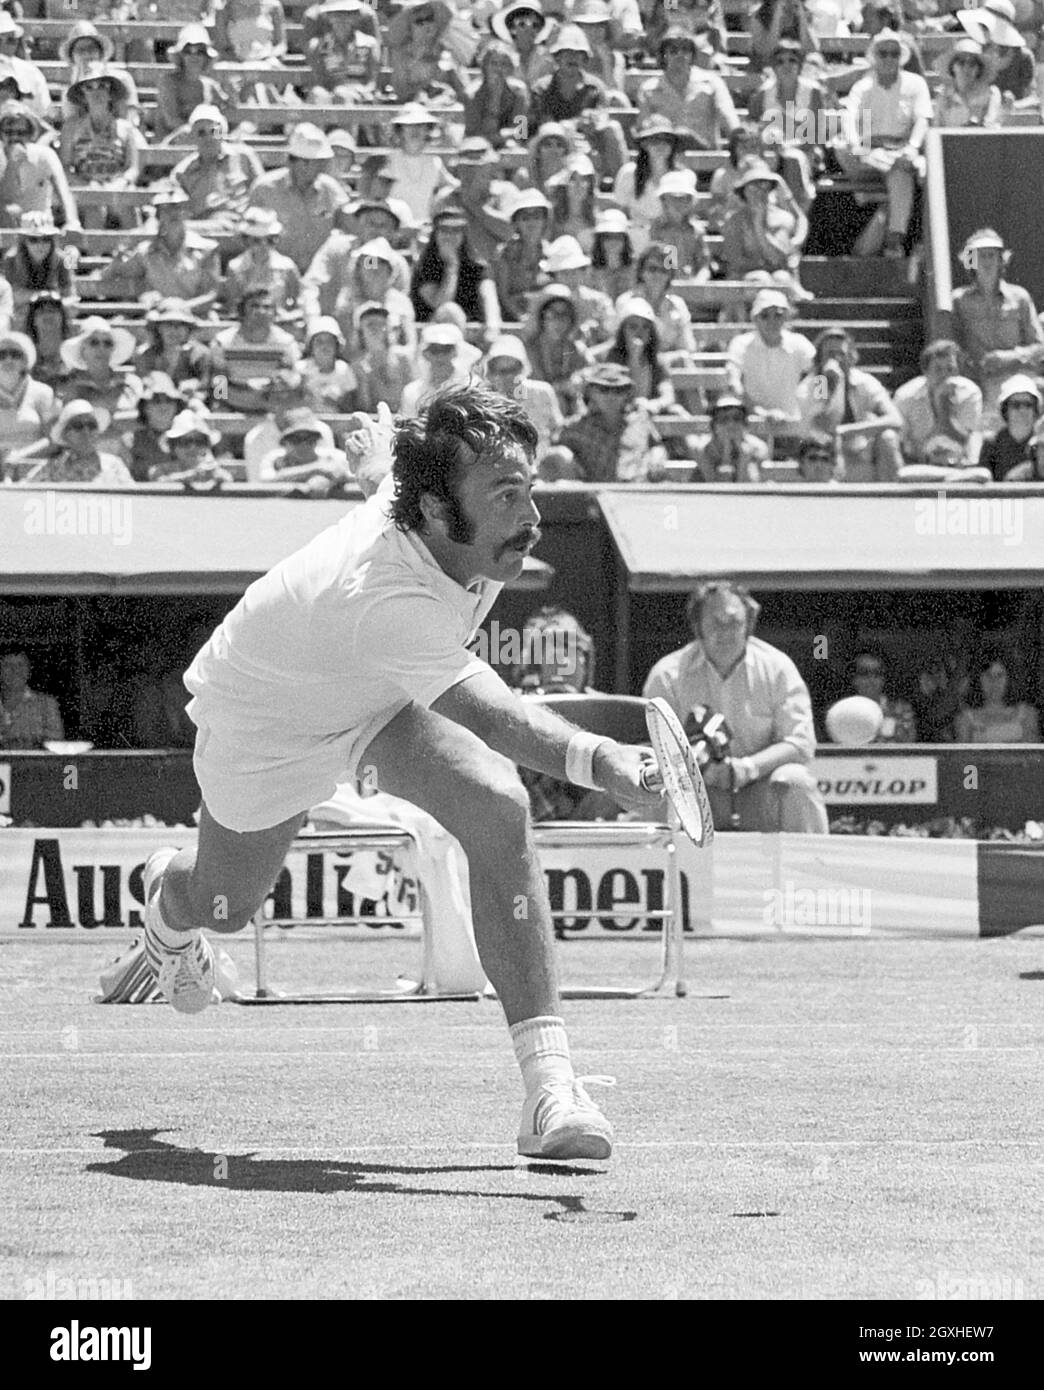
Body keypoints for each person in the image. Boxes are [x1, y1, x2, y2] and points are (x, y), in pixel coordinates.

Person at [139, 384, 666, 1163]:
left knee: (497, 804)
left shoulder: (439, 505)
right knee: (223, 904)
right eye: (505, 495)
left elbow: (393, 472)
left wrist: (376, 457)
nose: (530, 517)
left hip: (375, 698)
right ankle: (165, 902)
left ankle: (551, 1088)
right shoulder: (386, 596)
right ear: (432, 513)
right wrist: (600, 758)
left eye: (530, 489)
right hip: (268, 722)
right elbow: (491, 714)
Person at [642, 579, 828, 833]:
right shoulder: (667, 675)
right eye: (716, 623)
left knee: (796, 781)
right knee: (658, 786)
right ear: (698, 627)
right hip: (694, 793)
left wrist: (747, 769)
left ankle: (810, 869)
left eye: (734, 622)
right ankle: (662, 869)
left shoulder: (777, 669)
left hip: (759, 789)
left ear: (749, 624)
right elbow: (652, 748)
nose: (726, 631)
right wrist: (701, 770)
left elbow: (800, 744)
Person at [836, 29, 932, 258]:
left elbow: (923, 119)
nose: (889, 58)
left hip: (900, 151)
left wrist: (912, 146)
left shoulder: (916, 83)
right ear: (874, 56)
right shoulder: (862, 87)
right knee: (841, 148)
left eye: (894, 53)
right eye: (883, 53)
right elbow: (848, 115)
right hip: (868, 153)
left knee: (902, 171)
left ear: (901, 57)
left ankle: (894, 241)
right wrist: (853, 143)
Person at [950, 227, 1044, 427]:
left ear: (1002, 260)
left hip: (1018, 375)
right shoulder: (959, 300)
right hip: (979, 380)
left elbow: (1039, 346)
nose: (987, 261)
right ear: (970, 261)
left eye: (992, 255)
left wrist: (1009, 357)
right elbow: (952, 346)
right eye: (980, 255)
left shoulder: (1020, 297)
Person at [796, 326, 904, 481]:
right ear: (820, 359)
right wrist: (832, 386)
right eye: (830, 355)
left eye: (841, 354)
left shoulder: (864, 382)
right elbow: (823, 427)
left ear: (851, 357)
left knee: (888, 437)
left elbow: (895, 420)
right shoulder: (816, 384)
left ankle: (894, 497)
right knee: (821, 448)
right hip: (821, 448)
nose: (837, 360)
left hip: (858, 445)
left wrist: (847, 431)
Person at [246, 124, 350, 275]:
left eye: (319, 161)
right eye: (308, 161)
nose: (316, 167)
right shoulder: (264, 189)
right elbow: (249, 235)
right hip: (275, 274)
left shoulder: (331, 190)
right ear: (292, 161)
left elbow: (350, 226)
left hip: (318, 276)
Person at [95, 188, 221, 309]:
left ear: (186, 213)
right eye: (166, 209)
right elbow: (110, 274)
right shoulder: (146, 252)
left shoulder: (207, 249)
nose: (173, 213)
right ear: (159, 217)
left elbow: (210, 296)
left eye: (178, 208)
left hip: (197, 319)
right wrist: (115, 263)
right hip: (160, 321)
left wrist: (180, 309)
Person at [544, 360, 667, 482]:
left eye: (619, 391)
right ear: (591, 392)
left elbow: (657, 446)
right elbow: (551, 455)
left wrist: (657, 456)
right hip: (594, 497)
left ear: (627, 394)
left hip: (635, 493)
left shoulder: (639, 421)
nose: (611, 396)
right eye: (604, 390)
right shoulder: (575, 428)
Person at [58, 63, 139, 229]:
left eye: (102, 86)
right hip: (84, 188)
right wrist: (87, 186)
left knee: (128, 206)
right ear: (83, 95)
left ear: (110, 93)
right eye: (89, 87)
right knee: (94, 208)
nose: (97, 92)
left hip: (117, 187)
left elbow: (133, 167)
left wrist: (120, 183)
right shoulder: (70, 128)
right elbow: (64, 169)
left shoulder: (126, 128)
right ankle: (95, 254)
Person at [726, 288, 816, 436]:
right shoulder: (740, 344)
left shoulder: (799, 343)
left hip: (792, 423)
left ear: (786, 317)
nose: (772, 321)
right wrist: (758, 411)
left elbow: (820, 373)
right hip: (751, 425)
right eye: (765, 315)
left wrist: (818, 403)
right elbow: (733, 383)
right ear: (755, 318)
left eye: (778, 315)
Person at [636, 26, 739, 151]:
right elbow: (644, 129)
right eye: (673, 51)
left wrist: (737, 137)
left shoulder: (712, 83)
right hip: (665, 158)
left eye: (685, 50)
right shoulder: (648, 89)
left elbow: (728, 116)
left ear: (692, 54)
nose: (680, 55)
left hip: (706, 158)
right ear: (664, 55)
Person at [169, 104, 264, 235]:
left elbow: (263, 191)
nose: (209, 137)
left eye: (215, 132)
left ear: (223, 133)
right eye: (201, 133)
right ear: (192, 137)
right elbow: (179, 210)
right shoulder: (182, 172)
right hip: (202, 227)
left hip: (242, 224)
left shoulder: (244, 156)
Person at [409, 208, 502, 336]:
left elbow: (489, 296)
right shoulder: (424, 267)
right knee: (449, 311)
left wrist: (492, 325)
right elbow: (440, 304)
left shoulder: (477, 267)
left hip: (470, 335)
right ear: (435, 233)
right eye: (444, 230)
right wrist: (452, 266)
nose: (450, 235)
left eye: (456, 231)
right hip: (431, 333)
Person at [893, 338, 984, 464]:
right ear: (925, 371)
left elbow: (968, 438)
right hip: (918, 462)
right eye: (938, 369)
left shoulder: (970, 392)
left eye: (950, 369)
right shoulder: (905, 396)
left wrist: (946, 413)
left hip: (959, 460)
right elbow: (900, 442)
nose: (945, 375)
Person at [0, 100, 81, 232]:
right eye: (9, 132)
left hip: (40, 228)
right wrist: (12, 165)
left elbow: (64, 192)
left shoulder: (45, 155)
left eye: (21, 133)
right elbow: (5, 199)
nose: (15, 137)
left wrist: (72, 221)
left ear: (30, 134)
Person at [611, 115, 685, 254]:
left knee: (672, 242)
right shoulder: (628, 173)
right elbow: (619, 212)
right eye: (655, 140)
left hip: (669, 239)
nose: (661, 145)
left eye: (666, 140)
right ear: (644, 144)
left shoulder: (682, 175)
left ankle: (670, 272)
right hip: (636, 238)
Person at [720, 161, 805, 281]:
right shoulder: (734, 221)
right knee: (761, 278)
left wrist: (760, 227)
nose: (759, 191)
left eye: (764, 185)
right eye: (753, 186)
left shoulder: (783, 218)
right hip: (743, 278)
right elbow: (736, 262)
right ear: (743, 191)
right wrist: (763, 266)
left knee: (782, 278)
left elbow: (778, 258)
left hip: (778, 275)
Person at [484, 333, 563, 457]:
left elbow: (557, 429)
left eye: (513, 369)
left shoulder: (543, 391)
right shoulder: (484, 400)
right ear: (491, 372)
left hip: (540, 459)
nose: (508, 376)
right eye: (501, 371)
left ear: (523, 368)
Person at [21, 399, 134, 486]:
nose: (86, 431)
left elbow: (133, 500)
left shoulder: (114, 465)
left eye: (91, 426)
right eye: (78, 426)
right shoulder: (54, 468)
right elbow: (27, 493)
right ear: (65, 435)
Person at [523, 282, 594, 417]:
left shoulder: (576, 349)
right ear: (542, 318)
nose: (558, 321)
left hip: (571, 411)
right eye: (552, 314)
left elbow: (592, 373)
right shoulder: (529, 350)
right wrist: (561, 387)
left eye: (564, 315)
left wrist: (581, 379)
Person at [156, 24, 232, 142]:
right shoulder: (168, 82)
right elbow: (171, 120)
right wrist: (197, 133)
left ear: (206, 56)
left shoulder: (210, 86)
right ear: (180, 55)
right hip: (172, 142)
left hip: (205, 143)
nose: (194, 56)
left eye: (200, 51)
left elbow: (220, 120)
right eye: (188, 51)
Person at [223, 208, 302, 321]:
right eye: (257, 240)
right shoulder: (235, 267)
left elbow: (300, 300)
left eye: (270, 240)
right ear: (247, 240)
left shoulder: (287, 266)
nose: (264, 245)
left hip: (280, 323)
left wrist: (289, 316)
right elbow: (233, 306)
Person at [2, 210, 76, 330]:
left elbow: (72, 298)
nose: (40, 245)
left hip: (53, 310)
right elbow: (9, 297)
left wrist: (48, 300)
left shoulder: (64, 259)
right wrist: (42, 296)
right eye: (33, 239)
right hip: (21, 313)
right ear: (23, 241)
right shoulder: (10, 259)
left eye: (46, 239)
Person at [134, 297, 214, 399]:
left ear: (188, 329)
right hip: (157, 406)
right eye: (168, 324)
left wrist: (196, 386)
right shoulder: (145, 355)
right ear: (158, 328)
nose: (174, 330)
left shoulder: (201, 354)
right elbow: (141, 388)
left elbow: (216, 384)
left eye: (180, 325)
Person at [954, 649, 1041, 742]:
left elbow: (1033, 754)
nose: (994, 682)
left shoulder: (1026, 714)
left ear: (1009, 679)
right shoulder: (966, 719)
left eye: (999, 676)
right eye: (988, 675)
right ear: (978, 680)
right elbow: (962, 755)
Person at [495, 187, 552, 321]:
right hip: (511, 321)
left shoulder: (551, 252)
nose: (531, 222)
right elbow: (503, 295)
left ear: (545, 221)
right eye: (525, 217)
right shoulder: (504, 253)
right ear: (516, 222)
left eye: (537, 217)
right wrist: (522, 319)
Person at [257, 406, 352, 487]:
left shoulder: (335, 457)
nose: (304, 445)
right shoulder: (274, 459)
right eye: (296, 439)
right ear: (284, 442)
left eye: (310, 439)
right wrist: (316, 469)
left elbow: (355, 477)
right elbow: (266, 480)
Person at [462, 38, 529, 147]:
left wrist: (501, 136)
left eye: (503, 64)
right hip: (477, 145)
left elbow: (521, 131)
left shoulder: (519, 91)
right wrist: (494, 99)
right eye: (494, 63)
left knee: (512, 145)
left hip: (508, 144)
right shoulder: (471, 93)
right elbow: (473, 133)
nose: (498, 69)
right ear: (485, 66)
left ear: (510, 68)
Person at [120, 371, 184, 482]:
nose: (164, 406)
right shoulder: (130, 441)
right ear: (145, 407)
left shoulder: (191, 437)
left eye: (169, 400)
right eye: (157, 401)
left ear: (177, 405)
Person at [977, 374, 1042, 480]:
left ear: (1035, 409)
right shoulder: (992, 444)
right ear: (1005, 410)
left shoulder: (1040, 442)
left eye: (1028, 404)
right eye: (1016, 405)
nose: (1023, 410)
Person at [400, 322, 471, 418]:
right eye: (434, 350)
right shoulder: (411, 392)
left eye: (446, 350)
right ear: (425, 353)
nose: (440, 356)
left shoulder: (471, 387)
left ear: (456, 352)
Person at [692, 394, 769, 482]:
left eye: (736, 418)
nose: (730, 424)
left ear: (744, 423)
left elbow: (752, 485)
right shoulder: (703, 448)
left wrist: (744, 457)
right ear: (714, 425)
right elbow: (711, 482)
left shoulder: (757, 448)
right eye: (723, 419)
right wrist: (726, 453)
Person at [848, 648, 917, 742]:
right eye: (864, 673)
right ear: (853, 678)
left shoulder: (900, 709)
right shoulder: (842, 711)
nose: (871, 679)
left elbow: (909, 744)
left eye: (877, 673)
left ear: (884, 678)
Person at [0, 650, 64, 749]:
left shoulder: (46, 705)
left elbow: (56, 743)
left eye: (20, 665)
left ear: (28, 670)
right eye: (8, 665)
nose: (15, 670)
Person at [934, 37, 1004, 127]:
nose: (966, 68)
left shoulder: (990, 94)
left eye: (972, 64)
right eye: (961, 63)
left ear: (979, 69)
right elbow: (937, 129)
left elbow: (991, 126)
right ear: (952, 67)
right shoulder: (944, 96)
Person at [299, 316, 358, 413]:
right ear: (311, 346)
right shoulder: (301, 368)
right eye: (319, 342)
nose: (324, 346)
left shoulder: (344, 369)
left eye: (329, 341)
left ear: (337, 345)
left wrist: (339, 402)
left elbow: (351, 406)